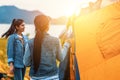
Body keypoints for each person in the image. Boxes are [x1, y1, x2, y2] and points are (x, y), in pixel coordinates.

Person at [23, 14, 71, 80]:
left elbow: (26, 63)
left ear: (35, 26)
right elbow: (61, 58)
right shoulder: (55, 40)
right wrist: (67, 44)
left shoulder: (30, 42)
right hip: (52, 77)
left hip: (35, 77)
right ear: (48, 26)